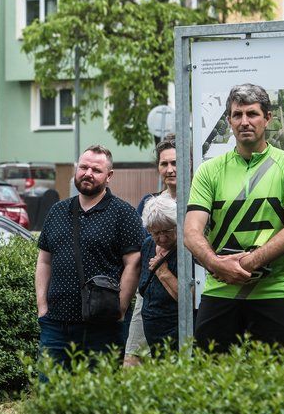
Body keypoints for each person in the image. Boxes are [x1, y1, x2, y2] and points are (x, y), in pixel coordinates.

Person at [184, 83, 284, 352]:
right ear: (229, 120)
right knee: (212, 385)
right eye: (237, 114)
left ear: (268, 118)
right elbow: (191, 232)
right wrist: (217, 266)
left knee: (275, 388)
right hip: (219, 293)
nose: (244, 121)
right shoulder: (209, 171)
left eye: (252, 114)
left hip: (274, 293)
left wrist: (241, 266)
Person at [35, 145, 144, 366]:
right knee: (51, 394)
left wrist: (120, 310)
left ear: (109, 176)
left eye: (96, 170)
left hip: (103, 327)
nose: (88, 173)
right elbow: (44, 260)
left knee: (100, 397)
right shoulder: (57, 211)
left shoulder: (124, 213)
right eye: (83, 167)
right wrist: (42, 307)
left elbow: (134, 263)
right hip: (56, 325)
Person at [125, 135, 178, 365]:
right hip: (148, 298)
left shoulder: (200, 200)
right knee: (132, 361)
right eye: (164, 163)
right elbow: (139, 252)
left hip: (178, 300)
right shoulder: (150, 204)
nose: (169, 169)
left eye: (175, 162)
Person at [139, 193, 180, 351]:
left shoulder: (185, 249)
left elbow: (187, 298)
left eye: (167, 231)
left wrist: (163, 272)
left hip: (175, 329)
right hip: (151, 329)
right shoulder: (148, 245)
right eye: (156, 233)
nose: (162, 238)